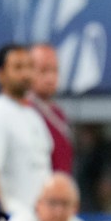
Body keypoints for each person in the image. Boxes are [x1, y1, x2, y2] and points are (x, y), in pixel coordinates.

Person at [0, 44, 53, 214]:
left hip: (41, 219)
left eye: (30, 67)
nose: (25, 74)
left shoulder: (34, 116)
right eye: (18, 67)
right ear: (0, 74)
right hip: (15, 220)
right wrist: (0, 217)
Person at [28, 43, 74, 175]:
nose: (50, 78)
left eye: (54, 70)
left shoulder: (59, 113)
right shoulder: (24, 111)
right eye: (43, 71)